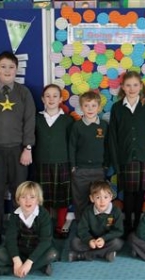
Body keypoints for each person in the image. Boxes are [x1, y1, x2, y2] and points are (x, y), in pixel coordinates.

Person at [108, 71, 145, 233]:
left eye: (135, 85)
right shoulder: (117, 108)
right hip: (124, 159)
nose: (132, 88)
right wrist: (116, 163)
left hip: (143, 159)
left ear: (141, 86)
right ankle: (127, 225)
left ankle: (138, 224)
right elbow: (112, 138)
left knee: (140, 193)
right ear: (122, 88)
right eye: (128, 85)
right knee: (127, 193)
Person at [0, 51, 35, 243]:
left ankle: (19, 233)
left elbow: (29, 122)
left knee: (20, 194)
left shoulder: (23, 93)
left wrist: (27, 148)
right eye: (3, 66)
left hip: (18, 151)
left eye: (11, 67)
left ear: (16, 69)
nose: (7, 70)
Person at [34, 84, 74, 238]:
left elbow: (71, 143)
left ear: (61, 99)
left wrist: (72, 163)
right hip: (42, 163)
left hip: (62, 162)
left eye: (55, 96)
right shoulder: (37, 118)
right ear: (43, 99)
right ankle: (44, 227)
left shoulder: (67, 120)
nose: (51, 99)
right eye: (48, 96)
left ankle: (60, 226)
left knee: (61, 196)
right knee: (43, 196)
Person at [0, 181, 58, 276]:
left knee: (53, 254)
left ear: (38, 200)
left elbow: (45, 241)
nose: (28, 201)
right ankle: (38, 266)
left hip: (37, 251)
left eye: (32, 197)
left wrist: (29, 262)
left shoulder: (44, 215)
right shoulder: (15, 216)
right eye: (23, 197)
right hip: (20, 251)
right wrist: (16, 260)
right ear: (18, 200)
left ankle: (15, 270)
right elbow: (10, 240)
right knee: (1, 253)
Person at [69, 90, 108, 222]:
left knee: (98, 200)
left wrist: (106, 165)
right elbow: (72, 147)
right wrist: (73, 166)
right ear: (81, 107)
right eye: (86, 105)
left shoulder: (103, 125)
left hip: (98, 169)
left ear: (99, 107)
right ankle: (81, 224)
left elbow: (108, 146)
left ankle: (97, 224)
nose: (90, 109)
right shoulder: (77, 126)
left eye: (93, 105)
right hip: (80, 170)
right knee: (80, 200)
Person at [68, 180, 124, 262]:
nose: (102, 201)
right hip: (92, 241)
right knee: (75, 242)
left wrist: (103, 239)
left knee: (118, 243)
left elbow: (118, 231)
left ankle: (82, 256)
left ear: (111, 197)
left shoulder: (116, 211)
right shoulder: (87, 211)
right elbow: (82, 229)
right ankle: (105, 254)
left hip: (107, 240)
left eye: (106, 197)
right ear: (92, 198)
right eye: (98, 197)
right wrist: (89, 240)